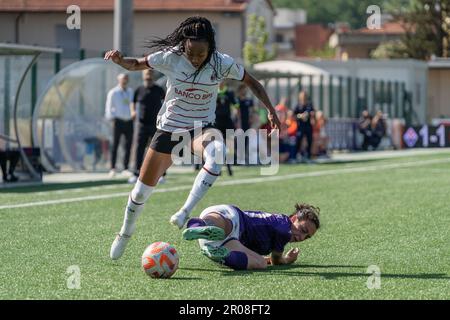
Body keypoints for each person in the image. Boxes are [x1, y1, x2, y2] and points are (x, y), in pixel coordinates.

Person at [104, 16, 281, 260]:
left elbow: (252, 82)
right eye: (191, 53)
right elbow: (137, 64)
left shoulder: (221, 63)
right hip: (168, 131)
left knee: (217, 152)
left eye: (201, 54)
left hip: (200, 129)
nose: (195, 58)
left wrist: (271, 110)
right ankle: (125, 232)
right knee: (140, 193)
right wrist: (120, 60)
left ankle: (185, 212)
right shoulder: (171, 56)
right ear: (183, 47)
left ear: (210, 48)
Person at [182, 203, 320, 270]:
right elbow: (276, 261)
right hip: (232, 223)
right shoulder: (284, 231)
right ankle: (220, 254)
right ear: (294, 218)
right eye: (303, 229)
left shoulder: (280, 222)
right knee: (227, 225)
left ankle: (197, 228)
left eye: (306, 237)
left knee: (260, 262)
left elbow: (268, 259)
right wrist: (287, 260)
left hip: (226, 227)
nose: (302, 237)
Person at [128, 69, 166, 184]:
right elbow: (133, 102)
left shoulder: (159, 89)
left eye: (150, 74)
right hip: (142, 125)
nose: (148, 76)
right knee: (139, 149)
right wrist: (133, 111)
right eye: (146, 74)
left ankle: (160, 174)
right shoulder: (139, 90)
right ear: (143, 75)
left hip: (156, 125)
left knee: (157, 149)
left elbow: (166, 102)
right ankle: (136, 173)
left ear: (153, 76)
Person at [105, 73, 134, 178]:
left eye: (126, 79)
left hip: (129, 121)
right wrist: (112, 120)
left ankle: (126, 168)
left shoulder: (130, 91)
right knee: (115, 145)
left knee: (128, 145)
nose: (125, 81)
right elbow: (108, 108)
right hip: (117, 121)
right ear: (119, 80)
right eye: (123, 79)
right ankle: (113, 168)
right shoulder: (113, 92)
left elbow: (132, 105)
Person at [215, 81, 236, 176]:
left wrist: (238, 121)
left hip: (227, 122)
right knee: (218, 146)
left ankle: (229, 167)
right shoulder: (214, 92)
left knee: (229, 146)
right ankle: (218, 169)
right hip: (217, 123)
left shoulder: (229, 93)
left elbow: (236, 106)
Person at [294, 91, 315, 162]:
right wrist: (300, 116)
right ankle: (297, 154)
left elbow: (312, 112)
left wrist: (309, 114)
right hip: (300, 126)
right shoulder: (298, 105)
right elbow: (294, 115)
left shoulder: (309, 105)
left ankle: (308, 155)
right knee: (299, 139)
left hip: (308, 126)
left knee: (309, 140)